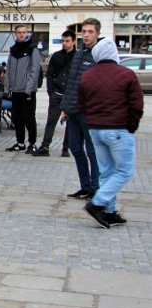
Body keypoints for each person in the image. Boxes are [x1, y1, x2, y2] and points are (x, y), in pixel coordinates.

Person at [78, 38, 143, 228]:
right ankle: (98, 203)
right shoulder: (127, 74)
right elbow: (136, 104)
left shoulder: (87, 76)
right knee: (124, 170)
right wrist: (131, 125)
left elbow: (82, 103)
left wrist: (91, 120)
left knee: (106, 172)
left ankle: (109, 211)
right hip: (118, 128)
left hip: (96, 129)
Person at [61, 18, 103, 200]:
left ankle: (95, 187)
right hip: (73, 110)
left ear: (97, 34)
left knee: (92, 151)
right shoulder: (78, 53)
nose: (86, 35)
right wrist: (65, 107)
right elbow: (71, 83)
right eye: (84, 31)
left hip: (89, 111)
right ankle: (85, 186)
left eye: (90, 32)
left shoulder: (99, 54)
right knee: (75, 148)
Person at [33, 30, 76, 157]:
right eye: (63, 41)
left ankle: (66, 148)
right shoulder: (56, 56)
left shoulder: (77, 57)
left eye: (67, 41)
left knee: (70, 122)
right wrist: (51, 91)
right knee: (51, 121)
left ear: (73, 41)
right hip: (57, 93)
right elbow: (50, 74)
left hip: (70, 95)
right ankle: (45, 146)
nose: (65, 43)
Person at [4, 25, 41, 153]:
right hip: (15, 90)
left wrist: (28, 89)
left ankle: (32, 143)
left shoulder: (32, 49)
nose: (21, 34)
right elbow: (8, 70)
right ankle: (20, 143)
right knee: (17, 118)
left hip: (27, 91)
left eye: (24, 32)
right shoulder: (13, 50)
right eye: (19, 32)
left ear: (27, 33)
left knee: (29, 118)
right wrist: (7, 87)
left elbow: (35, 70)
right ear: (15, 34)